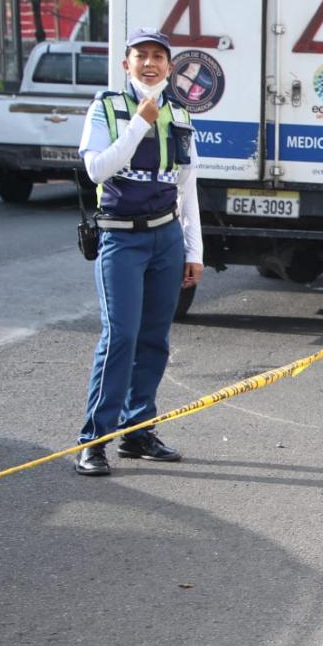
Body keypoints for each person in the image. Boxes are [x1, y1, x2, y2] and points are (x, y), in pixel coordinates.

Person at [73, 28, 203, 476]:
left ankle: (137, 430)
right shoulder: (106, 107)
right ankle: (94, 440)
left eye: (158, 57)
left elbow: (187, 187)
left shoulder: (181, 113)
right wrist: (139, 123)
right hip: (120, 237)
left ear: (170, 66)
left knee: (154, 340)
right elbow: (96, 170)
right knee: (120, 337)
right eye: (141, 56)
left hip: (166, 238)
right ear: (126, 63)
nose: (150, 64)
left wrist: (194, 250)